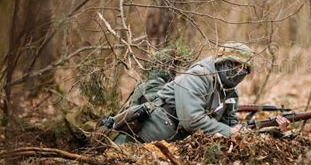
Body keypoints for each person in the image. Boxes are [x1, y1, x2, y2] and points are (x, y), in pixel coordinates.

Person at [113, 42, 289, 143]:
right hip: (137, 140)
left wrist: (270, 129)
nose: (239, 72)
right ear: (222, 62)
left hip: (168, 146)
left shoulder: (230, 93)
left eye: (244, 68)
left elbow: (231, 125)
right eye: (235, 65)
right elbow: (192, 121)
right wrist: (230, 132)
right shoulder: (199, 75)